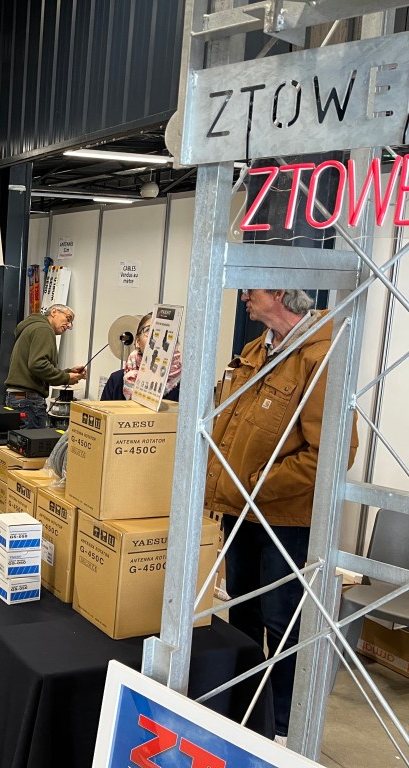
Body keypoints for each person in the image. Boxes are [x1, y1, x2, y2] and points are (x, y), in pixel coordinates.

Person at [205, 288, 358, 743]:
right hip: (242, 512)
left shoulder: (323, 355)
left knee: (283, 622)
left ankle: (283, 725)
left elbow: (331, 454)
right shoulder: (257, 348)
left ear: (280, 291)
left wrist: (255, 484)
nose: (243, 296)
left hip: (285, 521)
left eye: (252, 288)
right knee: (242, 611)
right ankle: (246, 712)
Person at [4, 304, 86, 428]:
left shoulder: (34, 327)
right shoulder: (44, 329)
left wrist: (68, 372)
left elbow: (36, 367)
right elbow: (38, 365)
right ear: (54, 312)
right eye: (68, 319)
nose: (69, 325)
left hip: (19, 398)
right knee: (33, 441)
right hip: (28, 401)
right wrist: (66, 378)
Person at [101, 313, 181, 402]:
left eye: (165, 332)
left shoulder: (185, 386)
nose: (156, 337)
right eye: (149, 330)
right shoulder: (116, 381)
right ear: (137, 341)